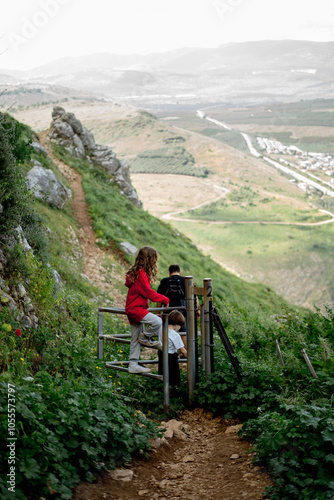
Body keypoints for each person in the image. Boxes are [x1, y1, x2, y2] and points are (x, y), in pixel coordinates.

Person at [125, 246, 170, 374]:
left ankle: (133, 364)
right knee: (157, 322)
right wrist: (164, 299)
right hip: (136, 308)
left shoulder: (135, 273)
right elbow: (149, 293)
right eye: (154, 259)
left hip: (131, 308)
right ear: (149, 259)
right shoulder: (141, 275)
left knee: (134, 338)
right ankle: (145, 338)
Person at [158, 310, 187, 387]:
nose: (179, 328)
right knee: (174, 377)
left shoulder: (162, 329)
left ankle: (163, 389)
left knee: (163, 373)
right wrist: (190, 357)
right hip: (171, 357)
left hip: (161, 353)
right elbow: (182, 350)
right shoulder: (175, 335)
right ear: (176, 324)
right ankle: (174, 392)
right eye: (180, 326)